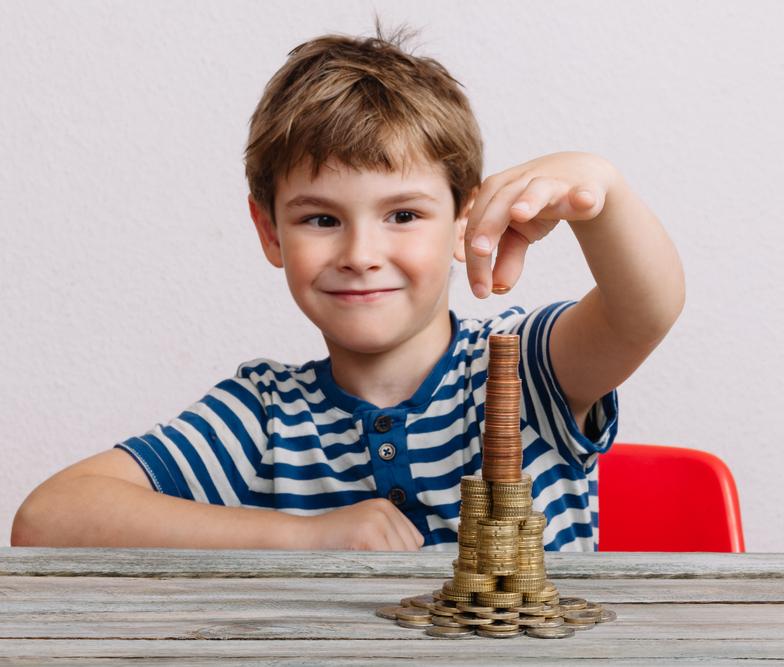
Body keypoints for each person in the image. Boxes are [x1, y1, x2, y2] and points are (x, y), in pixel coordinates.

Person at [11, 21, 685, 552]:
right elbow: (48, 518)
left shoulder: (524, 365)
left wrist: (605, 192)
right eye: (322, 218)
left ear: (462, 220)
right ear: (270, 232)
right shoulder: (264, 414)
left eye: (403, 215)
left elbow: (644, 311)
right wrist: (307, 537)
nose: (362, 254)